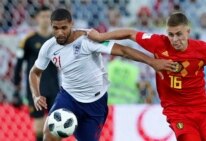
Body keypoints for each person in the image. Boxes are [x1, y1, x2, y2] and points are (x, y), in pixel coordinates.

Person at [29, 8, 176, 141]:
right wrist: (36, 95)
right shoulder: (49, 47)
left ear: (71, 24)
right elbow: (34, 72)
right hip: (68, 97)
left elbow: (123, 51)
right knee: (49, 133)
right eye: (55, 28)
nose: (59, 32)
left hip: (95, 102)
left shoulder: (88, 40)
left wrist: (152, 62)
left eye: (64, 28)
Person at [87, 12, 206, 141]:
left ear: (188, 32)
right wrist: (101, 36)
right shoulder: (159, 43)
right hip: (177, 112)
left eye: (179, 34)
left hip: (203, 110)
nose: (175, 39)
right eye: (171, 35)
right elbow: (131, 34)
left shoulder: (203, 49)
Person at [12, 6, 59, 141]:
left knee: (55, 126)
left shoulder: (56, 40)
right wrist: (16, 90)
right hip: (35, 89)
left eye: (48, 17)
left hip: (54, 87)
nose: (45, 20)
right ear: (37, 18)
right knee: (38, 127)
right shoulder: (28, 39)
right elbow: (19, 65)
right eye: (43, 16)